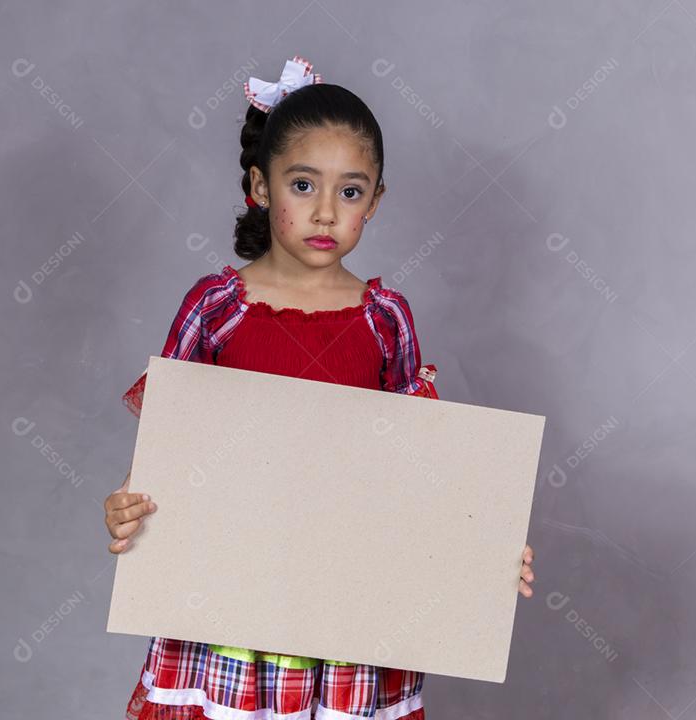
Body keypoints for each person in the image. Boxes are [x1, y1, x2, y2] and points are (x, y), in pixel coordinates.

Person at [103, 55, 536, 720]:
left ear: (376, 202)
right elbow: (171, 448)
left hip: (346, 617)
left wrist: (482, 545)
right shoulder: (217, 309)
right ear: (260, 185)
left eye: (351, 192)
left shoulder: (385, 320)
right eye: (303, 185)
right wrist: (128, 506)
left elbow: (419, 469)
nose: (327, 212)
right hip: (233, 605)